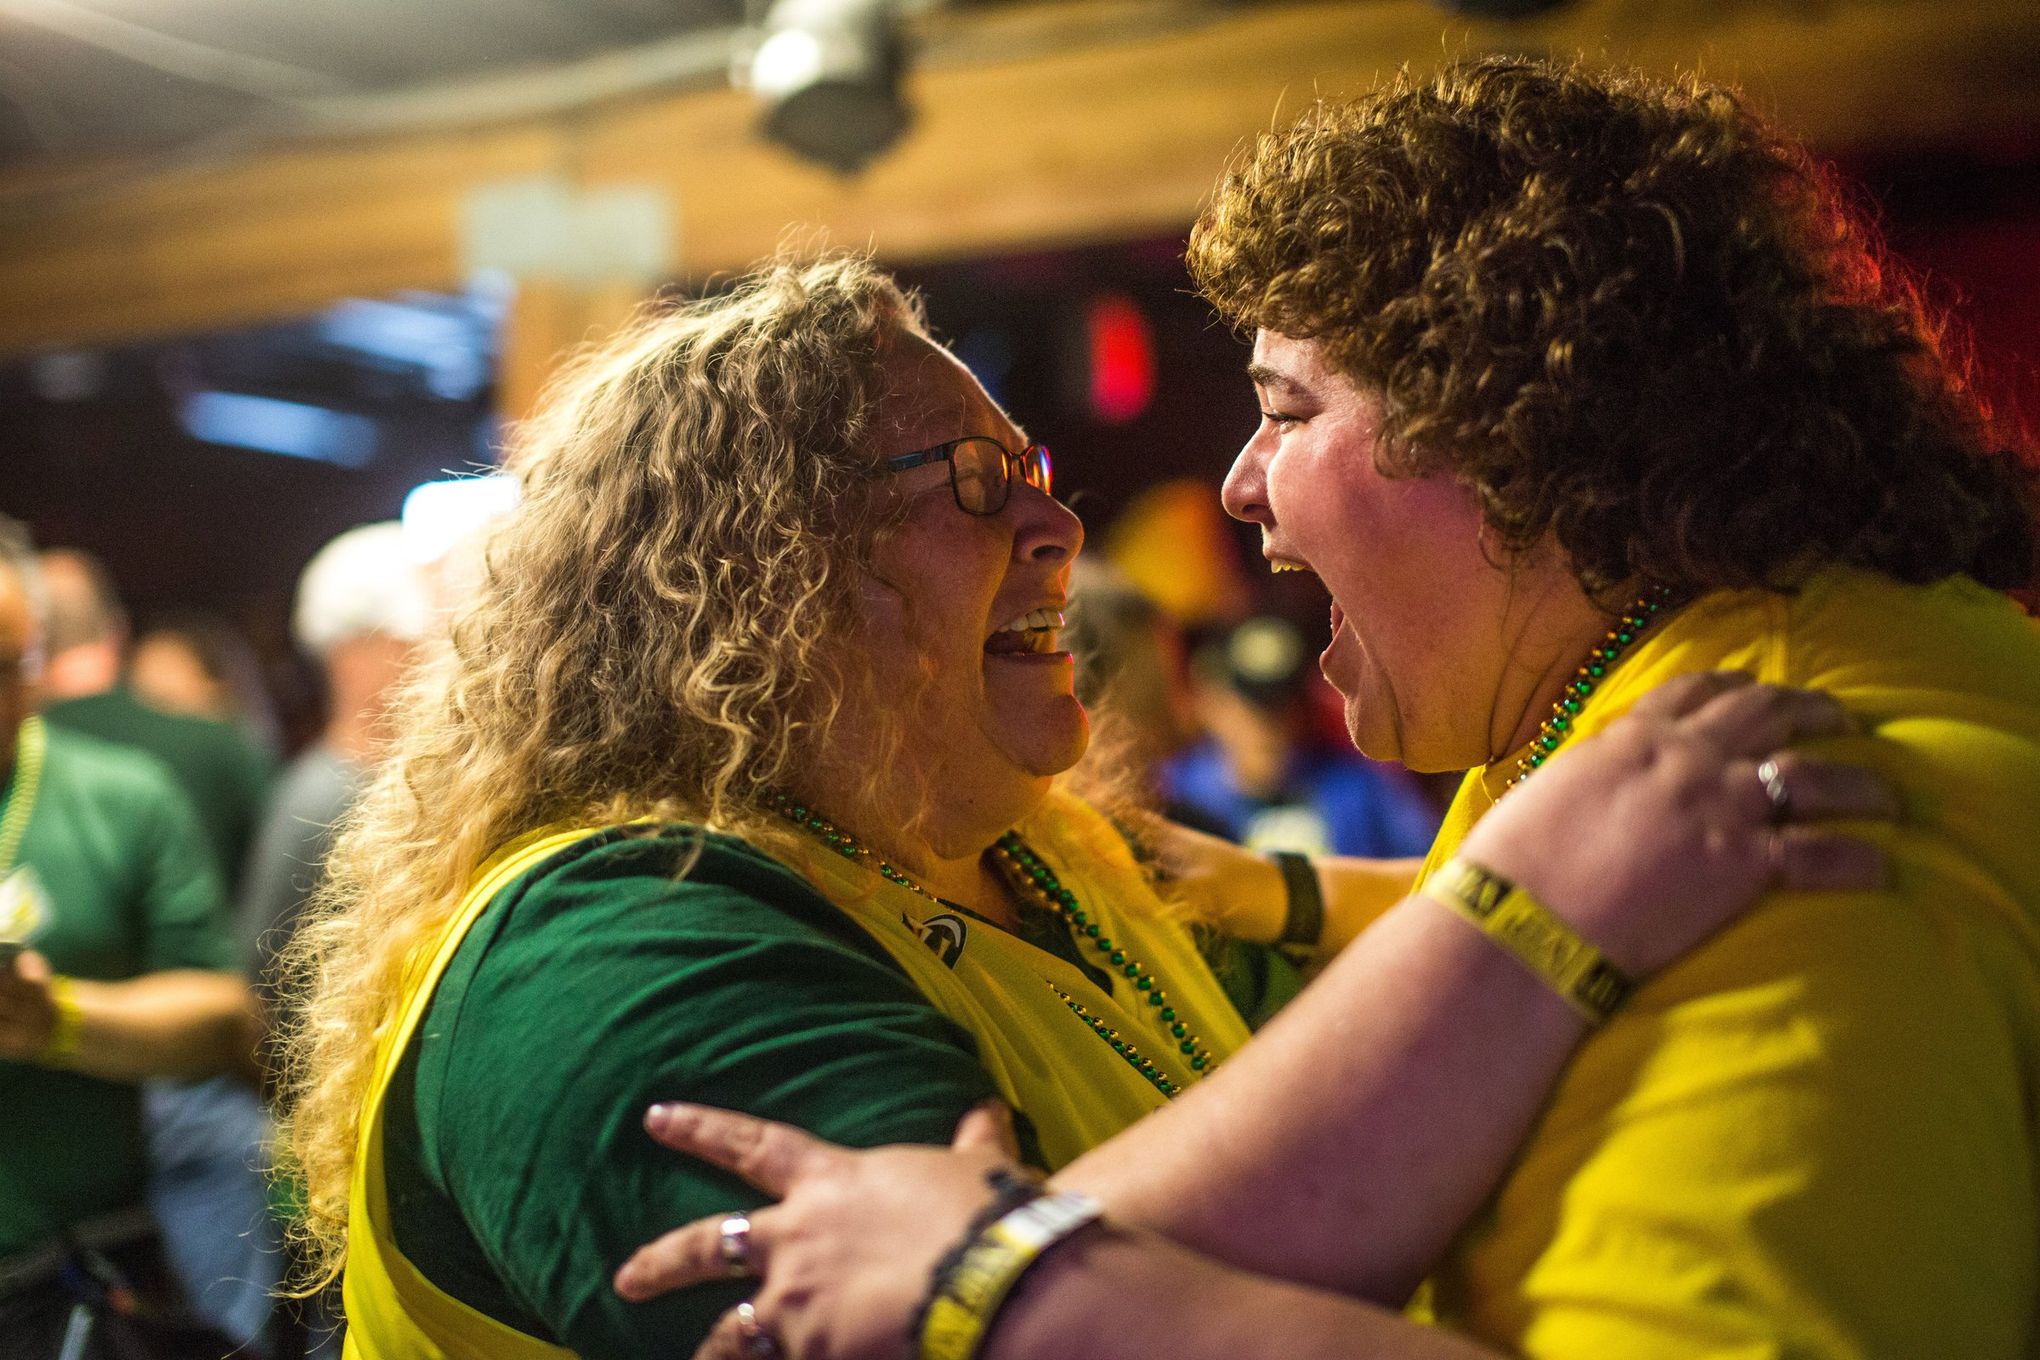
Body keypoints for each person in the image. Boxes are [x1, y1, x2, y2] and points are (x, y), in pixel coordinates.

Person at [613, 57, 2040, 1360]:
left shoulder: (1795, 812)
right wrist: (1315, 898)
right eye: (977, 490)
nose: (1237, 482)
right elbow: (1470, 941)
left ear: (1520, 423)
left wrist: (1013, 1289)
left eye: (1287, 410)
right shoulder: (1653, 718)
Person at [278, 256, 1887, 1359]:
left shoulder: (1042, 865)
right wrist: (1535, 907)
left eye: (1037, 465)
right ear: (750, 574)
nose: (1064, 527)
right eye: (977, 485)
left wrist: (1324, 898)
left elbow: (1338, 1076)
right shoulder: (613, 951)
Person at [0, 518, 258, 1357]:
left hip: (68, 1268)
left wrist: (54, 1021)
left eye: (11, 668)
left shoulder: (120, 798)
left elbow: (224, 1018)